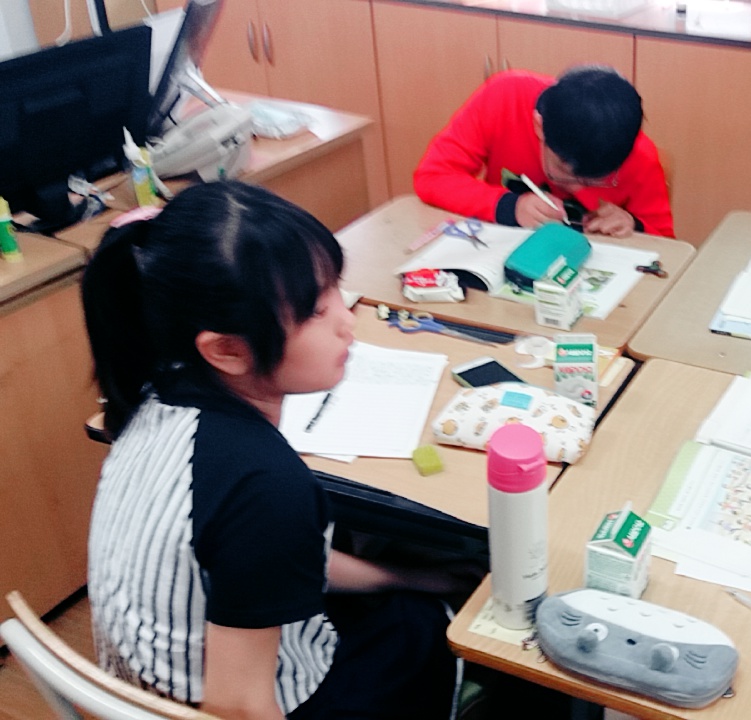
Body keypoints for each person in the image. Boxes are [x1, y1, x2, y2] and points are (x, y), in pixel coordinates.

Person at [82, 182, 474, 719]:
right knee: (423, 631)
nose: (346, 320)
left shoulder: (155, 393)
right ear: (226, 350)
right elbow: (238, 708)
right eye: (314, 310)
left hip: (149, 684)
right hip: (222, 702)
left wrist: (411, 577)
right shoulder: (265, 487)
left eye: (335, 290)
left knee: (406, 596)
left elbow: (269, 557)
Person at [413, 65, 674, 238]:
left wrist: (634, 226)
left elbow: (665, 242)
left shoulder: (638, 153)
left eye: (594, 181)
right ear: (539, 126)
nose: (576, 188)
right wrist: (509, 207)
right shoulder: (505, 97)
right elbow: (433, 176)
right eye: (562, 171)